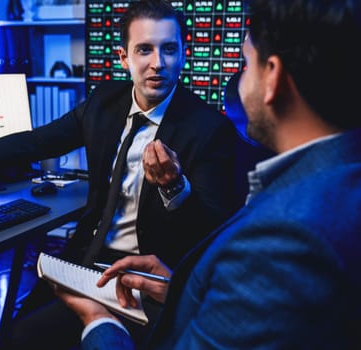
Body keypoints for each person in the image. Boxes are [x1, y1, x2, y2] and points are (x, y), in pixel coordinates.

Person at [0, 0, 239, 348]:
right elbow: (36, 143)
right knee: (15, 338)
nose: (157, 63)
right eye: (144, 49)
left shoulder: (208, 128)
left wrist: (174, 187)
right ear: (123, 57)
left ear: (183, 54)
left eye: (169, 49)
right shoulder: (104, 101)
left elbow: (212, 229)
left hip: (148, 279)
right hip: (86, 260)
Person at [53, 0, 361, 348]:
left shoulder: (284, 235)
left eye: (245, 65)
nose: (238, 84)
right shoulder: (336, 180)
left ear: (271, 76)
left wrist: (98, 321)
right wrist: (178, 289)